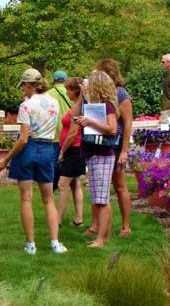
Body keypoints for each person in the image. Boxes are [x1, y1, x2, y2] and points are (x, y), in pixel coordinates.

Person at [0, 68, 68, 255]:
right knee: (49, 199)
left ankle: (31, 245)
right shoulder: (54, 103)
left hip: (28, 151)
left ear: (28, 85)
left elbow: (23, 139)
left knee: (26, 199)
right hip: (47, 149)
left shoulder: (26, 106)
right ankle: (55, 243)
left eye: (23, 87)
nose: (23, 90)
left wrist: (6, 160)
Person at [73, 71, 119, 248]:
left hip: (103, 155)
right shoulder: (92, 105)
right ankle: (103, 236)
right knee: (97, 198)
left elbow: (112, 129)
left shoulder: (107, 106)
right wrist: (82, 97)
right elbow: (74, 113)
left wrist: (90, 122)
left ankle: (101, 239)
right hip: (92, 154)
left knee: (102, 200)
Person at [95, 58, 132, 237]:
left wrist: (124, 150)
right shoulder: (100, 95)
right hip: (101, 145)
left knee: (119, 185)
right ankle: (97, 225)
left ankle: (125, 225)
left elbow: (127, 123)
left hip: (116, 146)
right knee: (99, 186)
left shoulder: (121, 95)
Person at [57, 77, 86, 227]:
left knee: (62, 185)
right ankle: (78, 218)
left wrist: (62, 150)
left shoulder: (78, 107)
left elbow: (73, 132)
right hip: (72, 149)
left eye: (68, 89)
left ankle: (57, 220)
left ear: (75, 90)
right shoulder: (76, 105)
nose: (66, 92)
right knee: (75, 184)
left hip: (74, 149)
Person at [47, 70, 72, 190]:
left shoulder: (48, 94)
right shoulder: (70, 92)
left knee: (53, 160)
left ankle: (53, 184)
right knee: (67, 159)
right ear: (65, 80)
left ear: (54, 79)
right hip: (69, 130)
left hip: (54, 131)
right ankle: (66, 181)